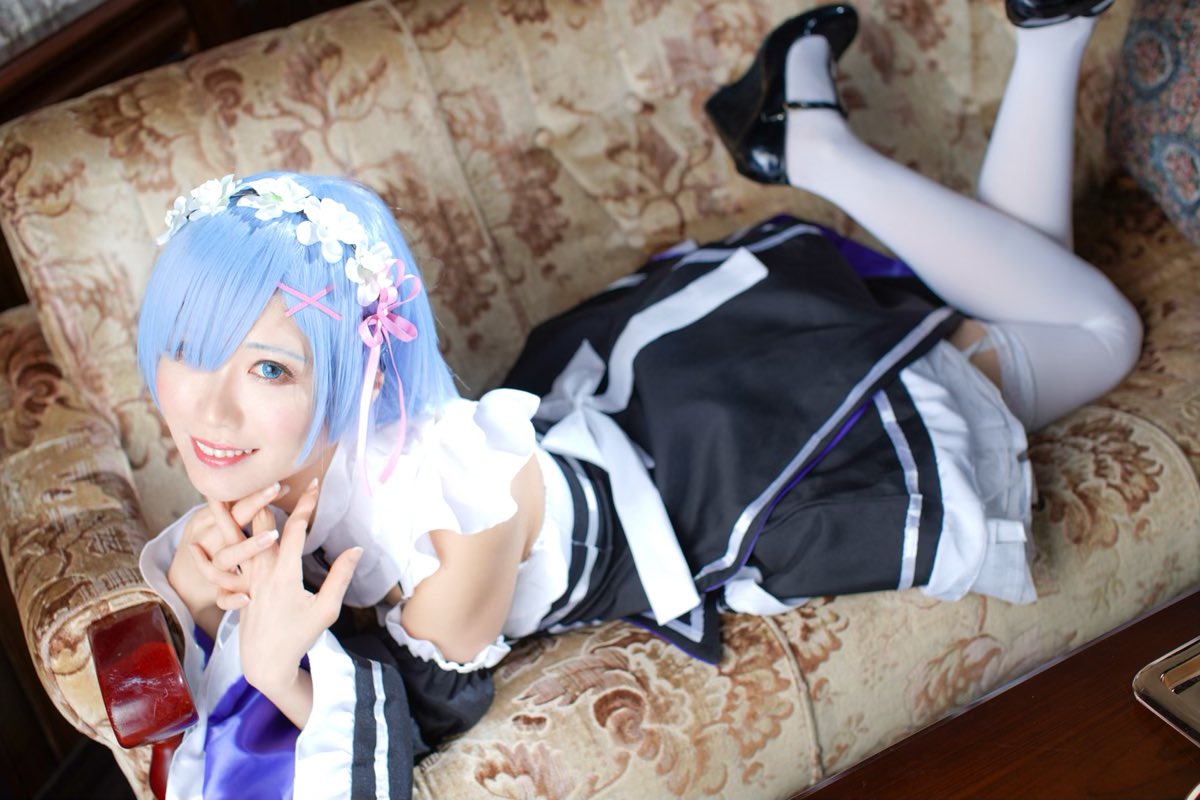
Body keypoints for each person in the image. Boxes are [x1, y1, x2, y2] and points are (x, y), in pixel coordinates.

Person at [135, 1, 1137, 797]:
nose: (208, 413)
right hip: (647, 406)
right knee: (1015, 298)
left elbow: (427, 714)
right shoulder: (284, 457)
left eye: (268, 368)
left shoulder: (451, 515)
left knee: (1103, 334)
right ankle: (1028, 39)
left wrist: (278, 666)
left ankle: (819, 146)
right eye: (189, 350)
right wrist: (194, 585)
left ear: (354, 371)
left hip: (723, 456)